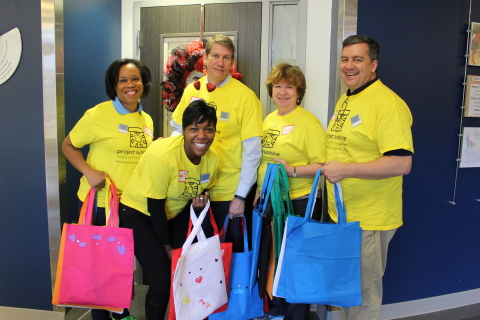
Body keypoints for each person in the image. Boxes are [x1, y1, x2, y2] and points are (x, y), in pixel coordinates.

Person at [322, 35, 414, 320]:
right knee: (348, 290)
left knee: (364, 297)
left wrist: (346, 171)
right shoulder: (347, 98)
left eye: (357, 60)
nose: (349, 66)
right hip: (345, 215)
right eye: (345, 59)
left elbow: (401, 163)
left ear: (373, 65)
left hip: (370, 221)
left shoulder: (388, 105)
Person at [62, 58, 154, 320]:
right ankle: (105, 317)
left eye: (135, 79)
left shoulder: (146, 120)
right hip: (100, 206)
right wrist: (89, 172)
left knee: (121, 266)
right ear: (114, 86)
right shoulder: (97, 115)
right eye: (122, 80)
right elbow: (68, 145)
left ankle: (121, 312)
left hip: (131, 205)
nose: (130, 85)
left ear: (143, 83)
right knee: (99, 271)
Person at [119, 99, 219, 320]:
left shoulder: (212, 160)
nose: (201, 136)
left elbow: (191, 195)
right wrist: (167, 246)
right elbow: (154, 206)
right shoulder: (162, 155)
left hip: (172, 214)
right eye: (194, 129)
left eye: (208, 129)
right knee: (162, 280)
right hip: (138, 213)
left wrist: (197, 203)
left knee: (181, 273)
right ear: (183, 131)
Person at [170, 34, 263, 251]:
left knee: (229, 262)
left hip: (228, 195)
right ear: (206, 58)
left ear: (232, 62)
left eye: (226, 58)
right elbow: (177, 132)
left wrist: (240, 196)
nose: (220, 63)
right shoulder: (193, 90)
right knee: (196, 261)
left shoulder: (246, 97)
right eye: (215, 56)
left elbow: (252, 152)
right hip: (193, 191)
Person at [255, 63, 326, 320]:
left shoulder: (309, 123)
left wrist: (293, 170)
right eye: (277, 86)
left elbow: (322, 166)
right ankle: (276, 312)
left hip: (299, 203)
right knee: (273, 260)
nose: (282, 92)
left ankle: (296, 316)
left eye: (289, 86)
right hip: (271, 203)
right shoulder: (269, 120)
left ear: (299, 92)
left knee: (297, 266)